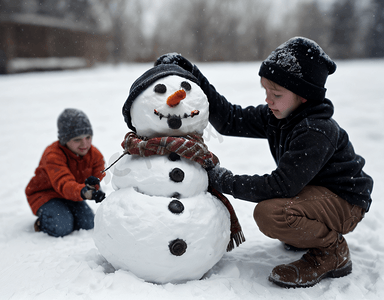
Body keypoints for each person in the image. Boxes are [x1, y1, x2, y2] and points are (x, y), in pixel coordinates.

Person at [154, 37, 373, 288]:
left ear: (304, 96)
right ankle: (307, 230)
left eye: (276, 94)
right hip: (313, 191)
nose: (268, 99)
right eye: (266, 91)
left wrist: (225, 180)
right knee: (280, 210)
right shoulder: (278, 115)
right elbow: (230, 119)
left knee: (272, 214)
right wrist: (194, 75)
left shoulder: (316, 131)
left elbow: (281, 186)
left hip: (345, 201)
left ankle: (332, 252)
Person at [25, 108, 106, 237]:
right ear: (64, 139)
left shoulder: (93, 154)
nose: (84, 144)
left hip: (73, 194)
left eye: (88, 137)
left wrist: (94, 188)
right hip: (47, 195)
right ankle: (44, 221)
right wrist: (84, 192)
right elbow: (63, 183)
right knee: (61, 226)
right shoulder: (53, 155)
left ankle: (66, 212)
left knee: (88, 223)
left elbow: (98, 172)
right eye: (77, 139)